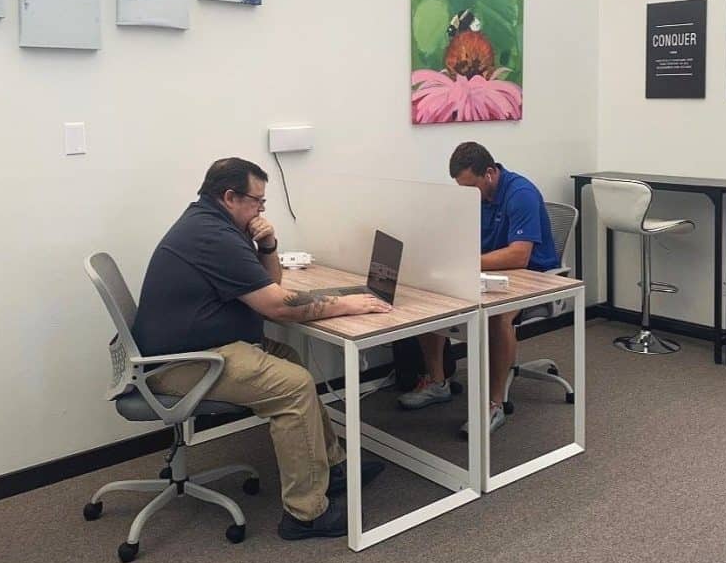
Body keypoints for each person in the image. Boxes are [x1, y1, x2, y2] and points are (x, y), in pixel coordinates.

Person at [131, 158, 391, 540]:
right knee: (294, 386)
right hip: (182, 362)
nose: (261, 210)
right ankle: (306, 515)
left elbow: (269, 284)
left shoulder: (216, 224)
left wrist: (267, 244)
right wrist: (347, 304)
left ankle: (332, 468)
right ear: (230, 196)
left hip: (205, 346)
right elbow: (278, 305)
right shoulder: (212, 236)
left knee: (291, 360)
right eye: (258, 202)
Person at [397, 142, 558, 434]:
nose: (467, 194)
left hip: (534, 275)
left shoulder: (521, 194)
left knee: (497, 317)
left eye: (471, 186)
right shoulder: (474, 193)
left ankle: (493, 405)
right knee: (427, 296)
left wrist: (467, 261)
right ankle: (438, 382)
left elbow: (519, 255)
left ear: (489, 173)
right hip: (487, 268)